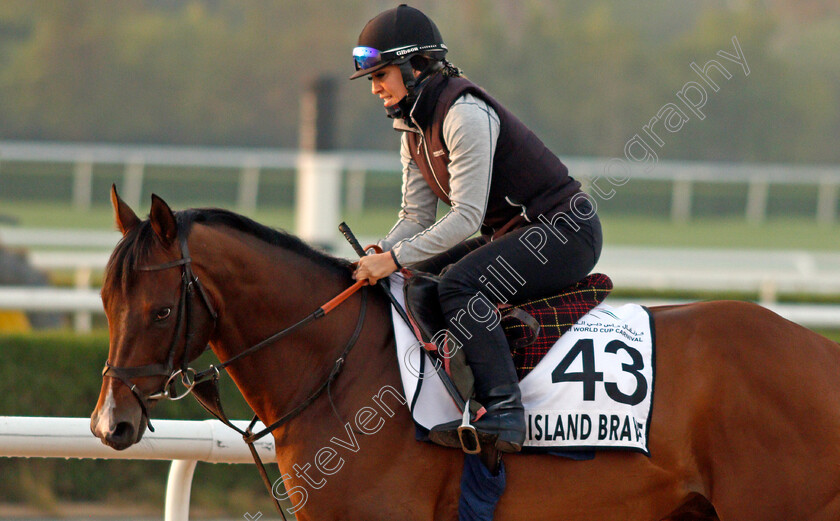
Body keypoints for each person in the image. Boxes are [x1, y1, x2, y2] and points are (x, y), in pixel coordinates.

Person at [350, 4, 602, 453]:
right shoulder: (411, 126)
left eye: (381, 75)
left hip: (565, 232)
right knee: (418, 283)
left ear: (417, 66)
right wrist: (380, 254)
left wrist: (391, 258)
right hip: (515, 234)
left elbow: (465, 217)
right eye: (372, 79)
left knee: (458, 286)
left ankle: (505, 412)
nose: (375, 88)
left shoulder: (463, 114)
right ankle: (459, 401)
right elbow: (415, 219)